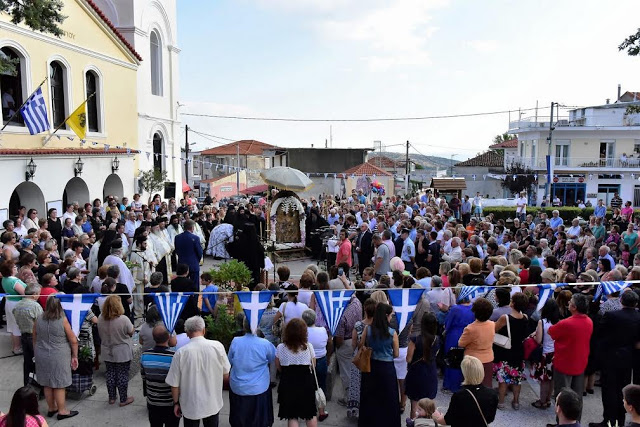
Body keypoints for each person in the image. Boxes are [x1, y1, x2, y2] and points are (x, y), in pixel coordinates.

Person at [166, 316, 231, 427]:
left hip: (190, 405)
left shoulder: (180, 353)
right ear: (204, 330)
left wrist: (176, 403)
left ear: (187, 333)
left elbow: (174, 385)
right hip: (212, 402)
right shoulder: (218, 346)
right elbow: (226, 375)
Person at [590, 290, 640, 427]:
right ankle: (619, 421)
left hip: (610, 358)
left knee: (609, 391)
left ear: (621, 301)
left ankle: (610, 421)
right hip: (628, 359)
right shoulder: (638, 317)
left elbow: (599, 334)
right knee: (621, 390)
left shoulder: (612, 316)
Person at [549, 294, 593, 422]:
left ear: (574, 307)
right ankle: (576, 422)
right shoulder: (589, 321)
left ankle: (562, 423)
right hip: (580, 363)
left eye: (571, 302)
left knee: (562, 397)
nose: (568, 303)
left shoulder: (566, 323)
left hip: (564, 363)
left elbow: (551, 332)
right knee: (577, 397)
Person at [33, 296, 79, 420]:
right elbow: (73, 340)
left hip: (41, 353)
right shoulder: (62, 320)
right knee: (59, 383)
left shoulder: (38, 319)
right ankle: (62, 411)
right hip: (59, 354)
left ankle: (51, 408)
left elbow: (35, 338)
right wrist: (75, 355)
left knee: (47, 383)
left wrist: (37, 352)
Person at [228, 316, 277, 427]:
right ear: (257, 326)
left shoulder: (235, 341)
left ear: (244, 327)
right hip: (259, 388)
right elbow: (273, 358)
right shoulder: (265, 343)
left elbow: (229, 360)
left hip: (238, 386)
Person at [358, 303, 400, 427]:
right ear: (386, 316)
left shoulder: (368, 329)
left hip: (371, 365)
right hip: (387, 367)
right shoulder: (392, 333)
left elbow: (361, 345)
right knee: (389, 398)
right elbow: (396, 354)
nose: (392, 317)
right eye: (391, 315)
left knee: (370, 397)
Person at [432, 355, 499, 427]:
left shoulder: (459, 396)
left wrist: (437, 418)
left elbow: (449, 420)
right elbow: (490, 419)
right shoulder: (492, 394)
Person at [275, 318, 318, 427]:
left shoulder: (281, 348)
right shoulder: (308, 347)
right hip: (306, 383)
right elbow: (313, 365)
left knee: (292, 415)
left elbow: (278, 366)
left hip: (288, 383)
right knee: (310, 413)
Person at [493, 292, 530, 410]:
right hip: (518, 350)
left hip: (506, 350)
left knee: (503, 378)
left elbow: (494, 328)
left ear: (512, 303)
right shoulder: (525, 317)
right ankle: (516, 401)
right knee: (517, 379)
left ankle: (501, 402)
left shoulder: (506, 318)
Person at [98, 295, 135, 407]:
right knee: (122, 374)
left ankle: (112, 397)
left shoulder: (100, 317)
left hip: (106, 349)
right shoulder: (123, 319)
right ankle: (123, 399)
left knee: (110, 374)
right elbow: (131, 332)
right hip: (121, 350)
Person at [140, 325, 180, 427]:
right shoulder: (175, 356)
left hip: (153, 403)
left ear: (153, 338)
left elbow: (144, 377)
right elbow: (178, 382)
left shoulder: (145, 356)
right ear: (168, 337)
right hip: (170, 403)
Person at [405, 312, 439, 427]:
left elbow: (408, 359)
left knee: (415, 406)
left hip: (417, 373)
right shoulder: (437, 340)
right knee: (430, 406)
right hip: (431, 372)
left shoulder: (415, 340)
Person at [458, 298, 495, 387]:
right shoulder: (492, 324)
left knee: (472, 385)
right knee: (486, 385)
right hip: (489, 358)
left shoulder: (470, 328)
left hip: (473, 361)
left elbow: (461, 343)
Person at [531, 299, 561, 410]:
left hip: (545, 353)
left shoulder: (542, 322)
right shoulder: (559, 321)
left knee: (544, 380)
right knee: (552, 378)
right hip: (556, 353)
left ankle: (542, 401)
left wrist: (533, 336)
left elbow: (538, 340)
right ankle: (548, 399)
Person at [12, 284, 43, 386]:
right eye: (39, 294)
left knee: (27, 362)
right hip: (34, 337)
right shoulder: (35, 306)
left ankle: (27, 384)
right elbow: (41, 322)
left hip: (24, 335)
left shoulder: (18, 305)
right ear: (34, 295)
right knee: (38, 362)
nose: (39, 296)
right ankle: (38, 385)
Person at [443, 292, 474, 392]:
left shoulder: (455, 309)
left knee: (452, 359)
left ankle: (451, 385)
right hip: (468, 335)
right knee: (465, 359)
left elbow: (447, 324)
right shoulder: (473, 307)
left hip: (454, 335)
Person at [1, 260, 26, 354]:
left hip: (10, 302)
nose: (16, 268)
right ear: (9, 270)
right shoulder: (14, 281)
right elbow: (24, 293)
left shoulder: (5, 279)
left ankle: (16, 346)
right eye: (14, 267)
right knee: (16, 326)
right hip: (16, 304)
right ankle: (17, 348)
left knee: (12, 325)